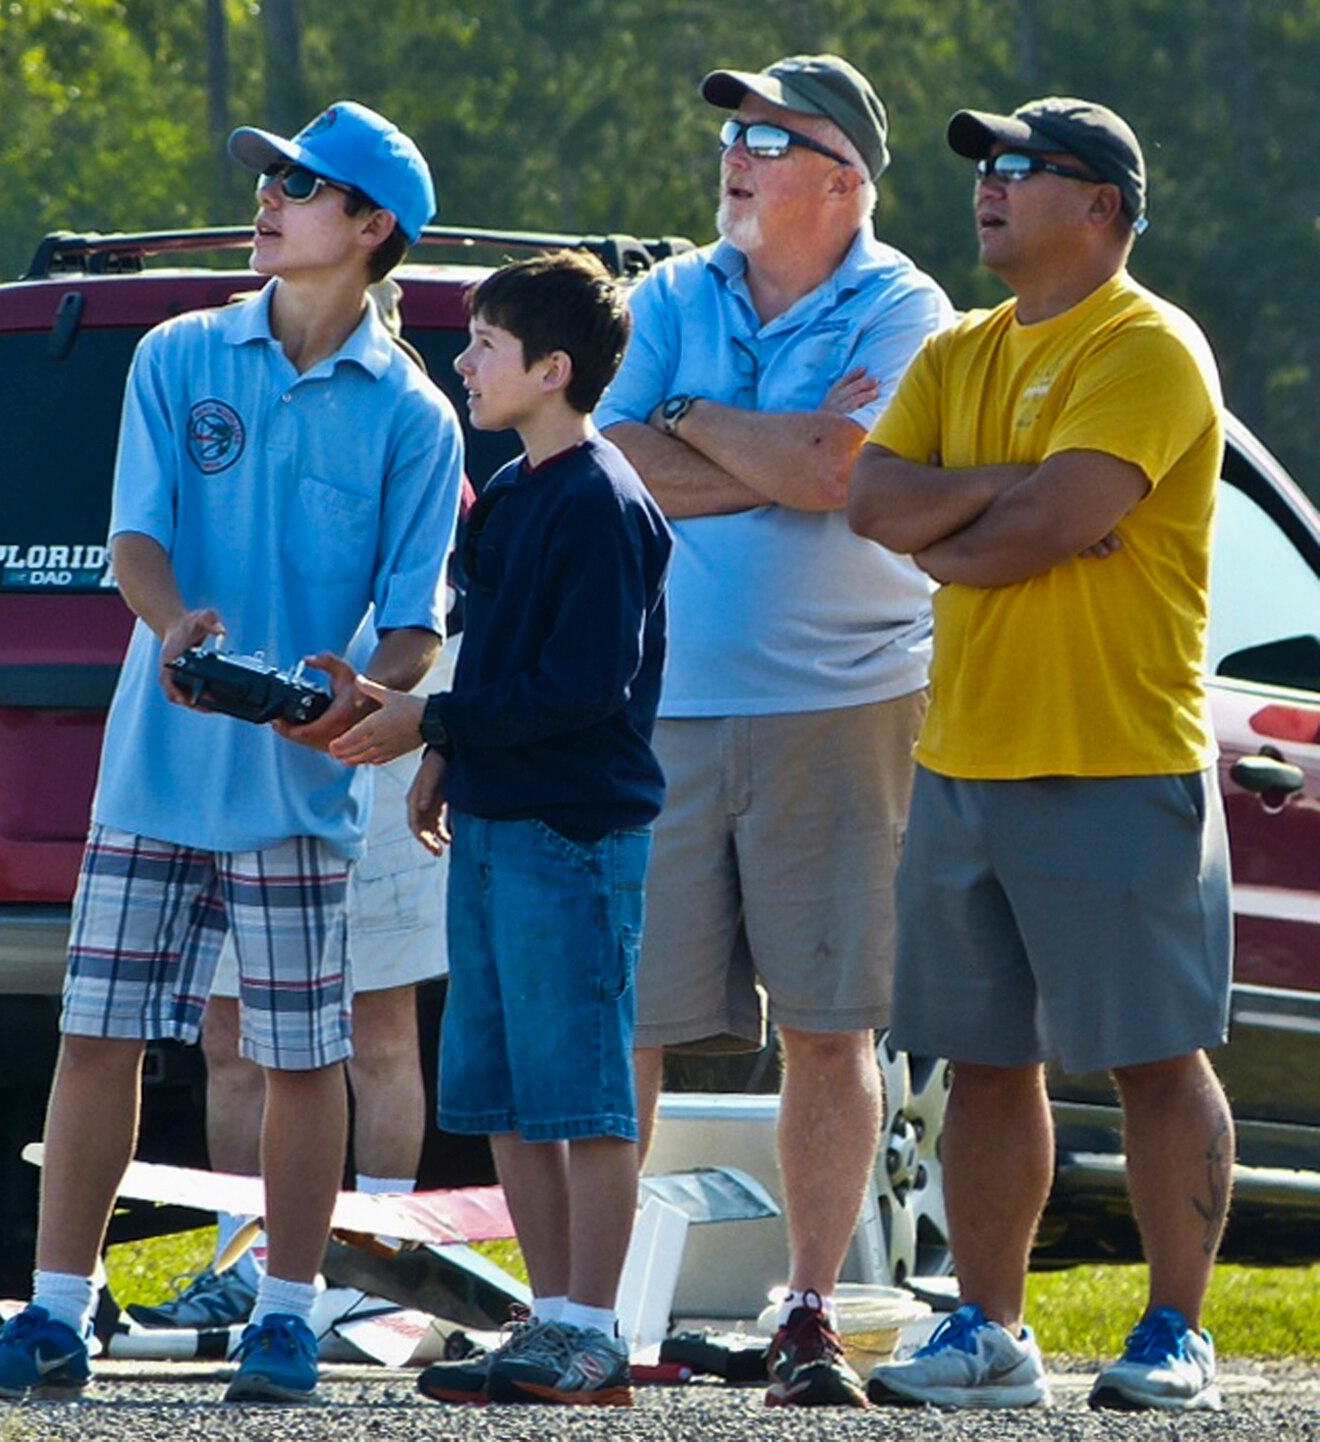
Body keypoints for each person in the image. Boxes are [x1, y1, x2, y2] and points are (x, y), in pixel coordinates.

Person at [0, 100, 464, 1407]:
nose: (267, 200)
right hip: (153, 773)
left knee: (302, 1055)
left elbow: (412, 625)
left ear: (371, 228)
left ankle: (285, 1316)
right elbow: (135, 541)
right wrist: (175, 625)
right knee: (98, 1034)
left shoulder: (417, 415)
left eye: (298, 184)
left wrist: (364, 690)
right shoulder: (178, 353)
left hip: (300, 787)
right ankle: (57, 1314)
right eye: (269, 179)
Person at [850, 98, 1233, 1414]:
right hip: (965, 756)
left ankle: (1176, 1327)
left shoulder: (1150, 347)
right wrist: (992, 512)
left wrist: (971, 521)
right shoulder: (960, 349)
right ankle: (991, 1330)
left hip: (1116, 755)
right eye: (987, 166)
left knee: (1155, 1057)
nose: (991, 185)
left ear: (1106, 206)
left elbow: (1048, 521)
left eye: (1025, 167)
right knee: (983, 1059)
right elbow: (872, 500)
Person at [591, 54, 951, 1409]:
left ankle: (805, 1308)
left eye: (768, 135)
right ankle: (595, 1309)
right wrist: (751, 443)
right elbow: (610, 457)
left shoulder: (907, 303)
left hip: (846, 704)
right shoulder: (674, 292)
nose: (733, 152)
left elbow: (841, 475)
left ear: (845, 176)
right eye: (731, 131)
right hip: (662, 701)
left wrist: (691, 425)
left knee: (827, 1020)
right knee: (627, 1018)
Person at [333, 249, 669, 1408]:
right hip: (489, 821)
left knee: (580, 1090)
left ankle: (592, 1327)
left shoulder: (603, 502)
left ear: (552, 368)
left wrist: (434, 715)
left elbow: (578, 688)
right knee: (509, 1090)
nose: (460, 361)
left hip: (572, 835)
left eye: (482, 344)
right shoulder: (516, 496)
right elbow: (494, 664)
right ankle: (547, 1322)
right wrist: (442, 752)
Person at [132, 645, 457, 1334]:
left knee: (379, 1037)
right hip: (224, 759)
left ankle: (383, 1278)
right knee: (231, 1043)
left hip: (367, 740)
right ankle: (243, 1269)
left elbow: (421, 611)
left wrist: (382, 700)